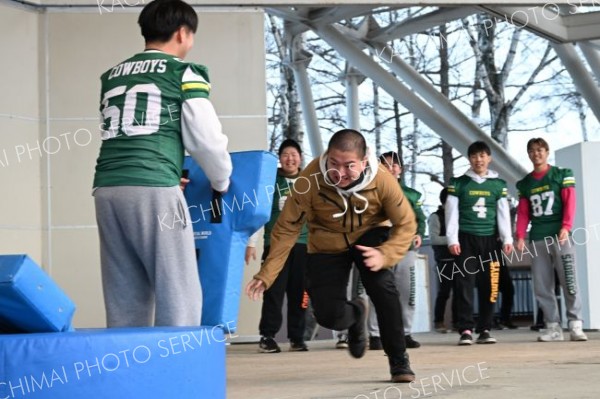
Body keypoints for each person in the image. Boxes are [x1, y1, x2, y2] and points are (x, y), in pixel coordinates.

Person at [93, 0, 232, 327]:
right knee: (179, 292)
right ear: (183, 33)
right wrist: (221, 180)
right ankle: (177, 375)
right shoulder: (183, 72)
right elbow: (206, 140)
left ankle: (131, 374)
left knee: (125, 295)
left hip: (107, 189)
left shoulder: (112, 75)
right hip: (153, 188)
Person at [246, 129, 417, 383]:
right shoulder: (309, 180)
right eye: (333, 163)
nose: (340, 173)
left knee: (383, 287)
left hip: (370, 235)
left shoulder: (382, 179)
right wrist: (267, 273)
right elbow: (287, 227)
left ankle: (398, 359)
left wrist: (386, 254)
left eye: (349, 166)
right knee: (328, 314)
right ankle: (356, 314)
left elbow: (406, 223)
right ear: (326, 156)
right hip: (326, 240)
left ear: (364, 161)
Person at [515, 137, 587, 342]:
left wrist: (566, 226)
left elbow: (570, 202)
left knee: (569, 280)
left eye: (540, 150)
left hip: (560, 235)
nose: (536, 154)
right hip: (538, 237)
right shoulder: (525, 183)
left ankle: (575, 324)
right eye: (532, 150)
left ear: (547, 152)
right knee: (542, 284)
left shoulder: (561, 175)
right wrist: (520, 235)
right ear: (528, 154)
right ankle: (553, 326)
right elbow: (523, 212)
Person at [446, 141, 513, 345]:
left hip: (491, 241)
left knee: (490, 285)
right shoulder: (458, 183)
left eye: (483, 155)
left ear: (489, 158)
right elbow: (451, 212)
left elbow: (503, 214)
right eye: (474, 156)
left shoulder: (498, 185)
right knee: (464, 283)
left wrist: (507, 238)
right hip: (466, 239)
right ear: (469, 159)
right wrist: (452, 239)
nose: (479, 160)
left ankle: (485, 327)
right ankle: (466, 328)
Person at [245, 139, 309, 353]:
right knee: (273, 290)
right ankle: (268, 336)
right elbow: (259, 213)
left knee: (300, 293)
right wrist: (251, 243)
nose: (290, 158)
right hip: (275, 244)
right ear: (280, 159)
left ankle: (297, 337)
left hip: (303, 245)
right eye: (285, 155)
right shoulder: (270, 181)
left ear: (300, 157)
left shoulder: (310, 181)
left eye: (294, 154)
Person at [367, 151, 425, 350]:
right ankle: (375, 334)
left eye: (394, 165)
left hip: (405, 249)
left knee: (406, 293)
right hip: (380, 250)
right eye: (386, 165)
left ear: (400, 169)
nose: (390, 168)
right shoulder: (371, 192)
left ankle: (405, 332)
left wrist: (419, 233)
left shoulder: (411, 194)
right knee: (379, 291)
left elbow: (420, 219)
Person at [429, 187, 454, 333]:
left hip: (459, 259)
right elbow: (434, 238)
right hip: (444, 260)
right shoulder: (435, 216)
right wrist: (454, 240)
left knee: (460, 291)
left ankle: (458, 322)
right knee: (444, 292)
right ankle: (438, 322)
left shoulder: (458, 215)